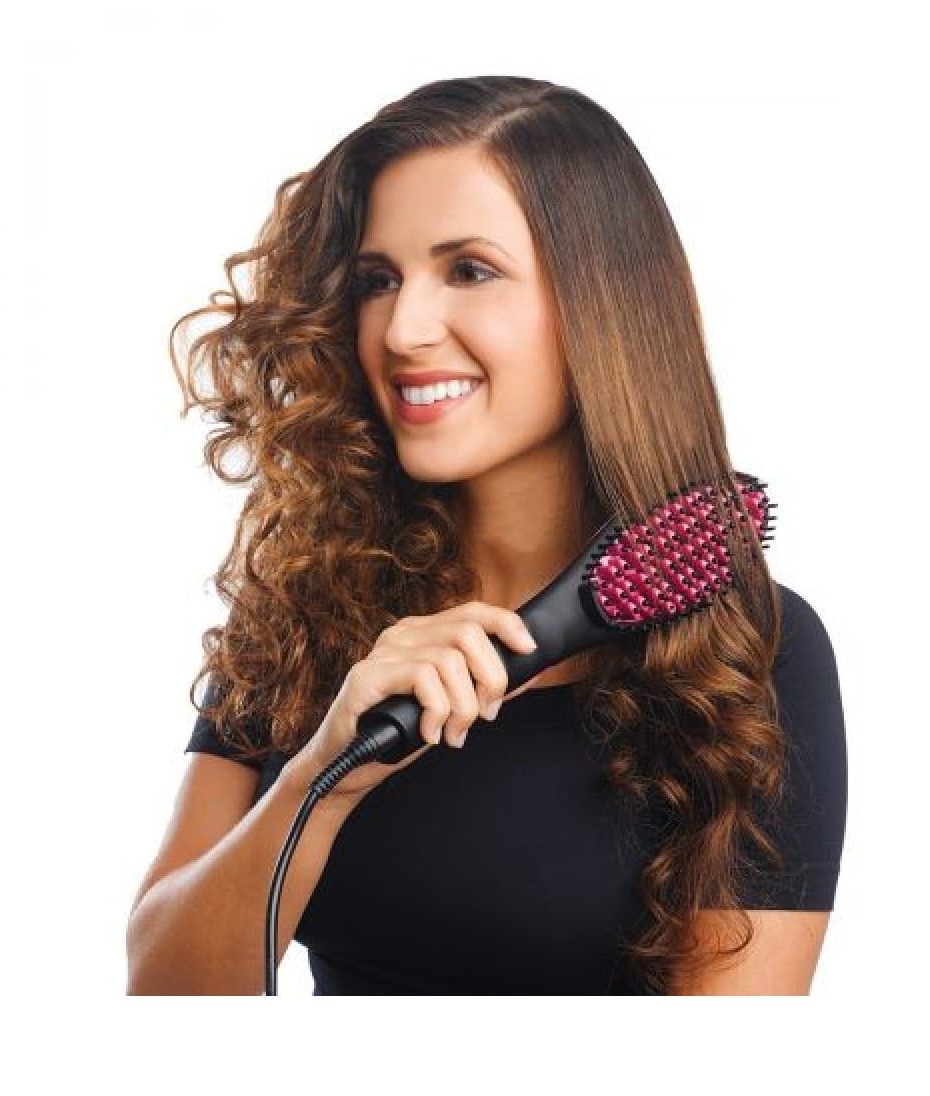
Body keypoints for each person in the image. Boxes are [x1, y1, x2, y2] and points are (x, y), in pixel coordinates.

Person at [125, 76, 848, 996]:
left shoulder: (753, 654)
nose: (403, 329)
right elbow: (159, 990)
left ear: (600, 303)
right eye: (378, 280)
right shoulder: (299, 609)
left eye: (469, 270)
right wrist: (322, 780)